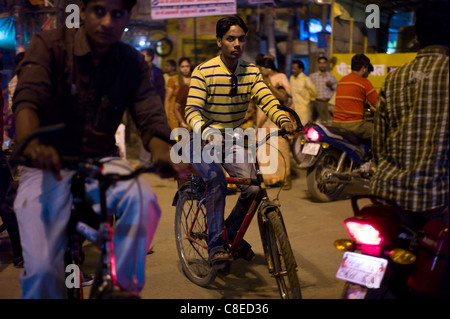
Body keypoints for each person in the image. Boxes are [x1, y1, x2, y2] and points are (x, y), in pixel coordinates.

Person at [11, 0, 187, 298]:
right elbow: (28, 99)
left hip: (101, 162)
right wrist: (33, 144)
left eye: (117, 13)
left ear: (127, 17)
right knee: (42, 271)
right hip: (46, 164)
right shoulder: (49, 45)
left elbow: (149, 115)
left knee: (145, 201)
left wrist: (162, 152)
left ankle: (121, 284)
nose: (107, 22)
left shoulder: (131, 62)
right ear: (83, 11)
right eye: (99, 11)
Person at [185, 15, 295, 267]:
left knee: (254, 188)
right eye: (230, 38)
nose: (237, 43)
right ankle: (215, 244)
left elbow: (268, 101)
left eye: (241, 39)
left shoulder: (251, 72)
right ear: (219, 41)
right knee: (216, 180)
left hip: (232, 140)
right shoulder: (203, 71)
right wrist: (206, 131)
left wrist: (283, 121)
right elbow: (191, 111)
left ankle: (227, 233)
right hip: (199, 140)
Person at [370, 1, 449, 227]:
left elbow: (378, 143)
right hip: (435, 199)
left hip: (387, 191)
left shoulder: (395, 77)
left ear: (416, 36)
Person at [257, 57, 294, 189]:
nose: (259, 71)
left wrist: (268, 84)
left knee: (280, 149)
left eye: (261, 68)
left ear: (268, 69)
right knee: (264, 150)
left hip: (278, 119)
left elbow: (284, 97)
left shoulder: (280, 77)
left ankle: (285, 178)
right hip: (263, 121)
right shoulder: (258, 80)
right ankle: (269, 180)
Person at [332, 54, 378, 141]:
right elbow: (378, 104)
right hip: (354, 125)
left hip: (336, 124)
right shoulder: (364, 82)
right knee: (382, 131)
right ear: (364, 68)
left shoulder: (342, 81)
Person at [165, 57, 192, 130]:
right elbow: (167, 99)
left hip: (187, 113)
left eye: (187, 66)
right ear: (179, 68)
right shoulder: (173, 80)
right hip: (174, 113)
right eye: (182, 66)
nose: (185, 69)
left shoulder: (194, 79)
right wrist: (166, 116)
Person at [289, 59, 317, 126]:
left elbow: (314, 92)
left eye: (295, 69)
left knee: (304, 128)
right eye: (292, 68)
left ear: (301, 69)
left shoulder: (306, 79)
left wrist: (308, 101)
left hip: (303, 108)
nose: (293, 70)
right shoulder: (292, 78)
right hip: (293, 108)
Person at [310, 56, 337, 123]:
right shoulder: (313, 76)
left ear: (326, 64)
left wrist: (331, 85)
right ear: (318, 64)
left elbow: (337, 89)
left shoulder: (331, 76)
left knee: (329, 122)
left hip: (329, 103)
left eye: (324, 63)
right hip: (317, 103)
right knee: (318, 122)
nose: (322, 65)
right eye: (320, 63)